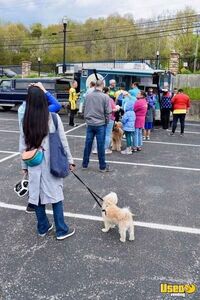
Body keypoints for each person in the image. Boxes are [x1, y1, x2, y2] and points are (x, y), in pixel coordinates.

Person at [19, 84, 75, 240]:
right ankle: (61, 230)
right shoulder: (54, 118)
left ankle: (43, 227)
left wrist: (24, 166)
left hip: (33, 163)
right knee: (56, 196)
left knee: (36, 195)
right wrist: (70, 160)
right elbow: (63, 142)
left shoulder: (26, 120)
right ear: (43, 99)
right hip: (53, 163)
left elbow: (22, 146)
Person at [18, 82, 62, 213]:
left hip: (32, 155)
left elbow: (22, 142)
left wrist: (23, 165)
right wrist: (44, 90)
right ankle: (60, 227)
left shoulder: (22, 111)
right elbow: (57, 105)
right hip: (48, 156)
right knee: (53, 190)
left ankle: (40, 222)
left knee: (35, 186)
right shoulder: (47, 113)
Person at [82, 80, 111, 172]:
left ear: (95, 86)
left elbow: (83, 108)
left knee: (88, 144)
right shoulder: (105, 97)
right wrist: (106, 121)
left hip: (90, 123)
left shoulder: (88, 96)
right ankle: (102, 166)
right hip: (100, 124)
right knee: (100, 146)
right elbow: (108, 111)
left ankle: (85, 164)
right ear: (102, 86)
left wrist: (86, 119)